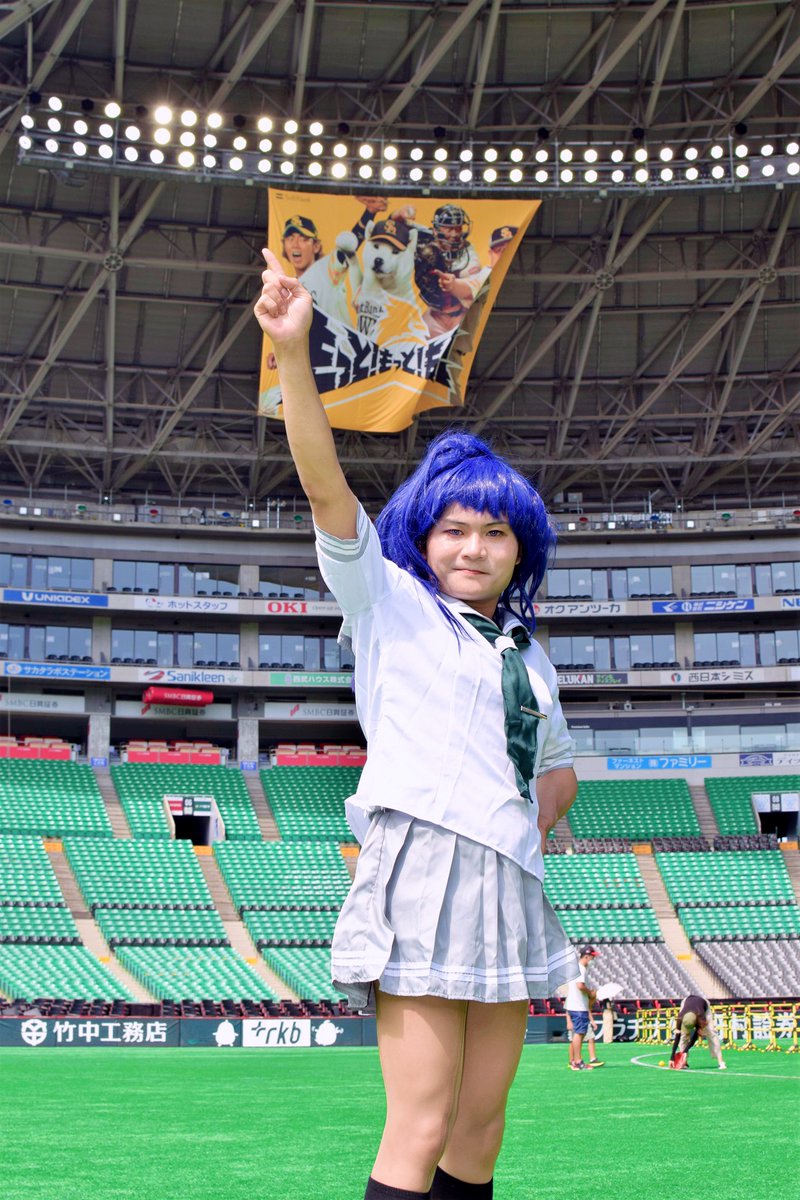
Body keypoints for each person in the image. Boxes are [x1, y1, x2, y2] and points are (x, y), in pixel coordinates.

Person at [254, 249, 580, 1200]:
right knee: (422, 1120)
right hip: (425, 861)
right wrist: (291, 352)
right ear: (425, 538)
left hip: (510, 875)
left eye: (496, 532)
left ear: (520, 548)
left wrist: (527, 814)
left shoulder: (528, 655)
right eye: (455, 530)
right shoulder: (390, 603)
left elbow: (557, 773)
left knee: (480, 1131)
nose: (475, 547)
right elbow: (326, 490)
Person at [565, 946, 600, 1071]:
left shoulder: (577, 968)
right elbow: (580, 986)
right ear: (586, 956)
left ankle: (576, 1061)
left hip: (576, 1006)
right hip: (578, 1007)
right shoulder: (580, 968)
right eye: (592, 957)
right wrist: (590, 993)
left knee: (580, 1033)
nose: (593, 959)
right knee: (579, 1033)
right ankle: (578, 1061)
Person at [669, 994, 727, 1070]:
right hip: (686, 1001)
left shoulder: (701, 1017)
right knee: (683, 1035)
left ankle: (721, 1061)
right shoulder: (680, 1018)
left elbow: (695, 1037)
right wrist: (672, 1057)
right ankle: (683, 1062)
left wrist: (686, 1050)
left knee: (711, 1032)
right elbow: (677, 1037)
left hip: (703, 1005)